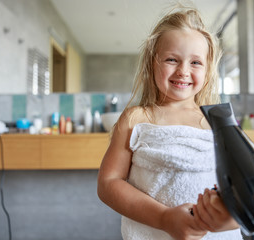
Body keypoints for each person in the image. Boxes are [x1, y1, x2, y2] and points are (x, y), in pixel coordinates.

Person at [97, 5, 242, 240]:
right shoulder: (137, 119)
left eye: (195, 63)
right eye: (172, 59)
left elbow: (241, 184)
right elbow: (108, 183)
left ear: (208, 71)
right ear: (152, 63)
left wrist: (233, 215)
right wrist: (164, 218)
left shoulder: (219, 121)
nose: (183, 71)